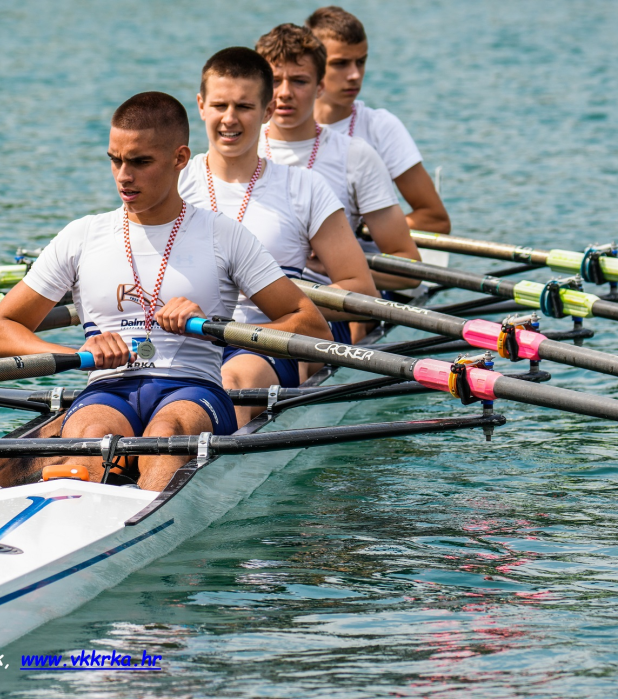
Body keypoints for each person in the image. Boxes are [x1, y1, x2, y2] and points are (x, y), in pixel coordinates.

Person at [0, 92, 331, 490]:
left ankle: (147, 510)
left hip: (193, 388)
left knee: (166, 435)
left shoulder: (223, 235)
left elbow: (312, 326)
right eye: (115, 160)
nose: (123, 176)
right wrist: (76, 355)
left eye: (140, 162)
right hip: (108, 388)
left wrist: (214, 328)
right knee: (92, 436)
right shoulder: (82, 236)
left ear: (180, 158)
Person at [178, 47, 377, 425]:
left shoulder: (304, 187)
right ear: (201, 106)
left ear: (267, 110)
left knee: (228, 384)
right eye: (220, 105)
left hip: (263, 343)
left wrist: (275, 299)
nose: (229, 119)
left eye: (244, 107)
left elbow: (361, 293)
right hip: (185, 336)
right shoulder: (174, 183)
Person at [256, 23, 421, 342]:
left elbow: (408, 267)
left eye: (299, 81)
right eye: (275, 81)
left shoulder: (355, 156)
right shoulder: (238, 151)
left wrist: (339, 266)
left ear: (320, 86)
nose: (285, 93)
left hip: (323, 310)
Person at [306, 5, 450, 234]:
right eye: (341, 63)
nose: (355, 75)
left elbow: (435, 220)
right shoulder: (272, 130)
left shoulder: (381, 127)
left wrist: (365, 229)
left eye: (361, 62)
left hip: (366, 255)